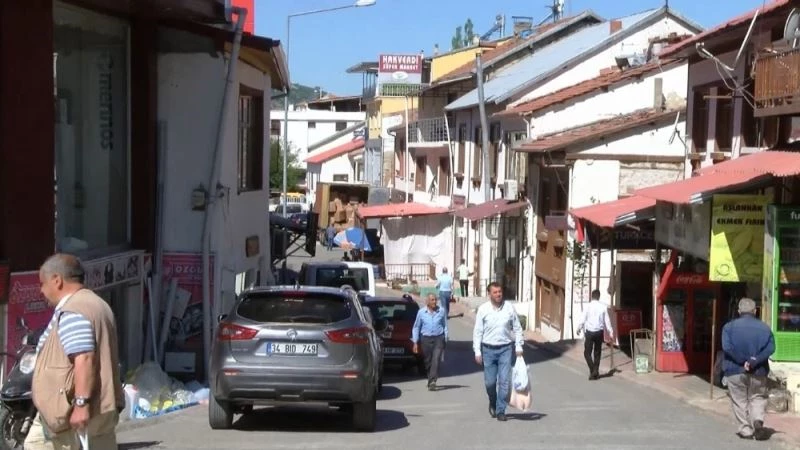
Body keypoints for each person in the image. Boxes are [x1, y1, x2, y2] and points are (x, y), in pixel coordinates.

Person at [25, 254, 124, 450]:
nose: (41, 291)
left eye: (42, 284)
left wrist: (81, 405)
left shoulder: (73, 310)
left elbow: (84, 358)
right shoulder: (97, 303)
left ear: (57, 280)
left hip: (70, 412)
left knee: (35, 445)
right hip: (99, 406)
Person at [722, 297, 775, 441]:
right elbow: (771, 348)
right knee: (757, 397)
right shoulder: (765, 328)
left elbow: (727, 348)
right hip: (759, 371)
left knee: (739, 400)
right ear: (755, 310)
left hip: (735, 370)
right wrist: (754, 361)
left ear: (739, 311)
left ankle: (746, 430)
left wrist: (743, 361)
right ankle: (757, 421)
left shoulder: (728, 327)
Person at [472, 282, 524, 422]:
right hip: (488, 350)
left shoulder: (509, 308)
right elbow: (478, 331)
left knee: (504, 382)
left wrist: (518, 346)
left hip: (505, 349)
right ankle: (492, 401)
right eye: (495, 292)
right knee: (490, 383)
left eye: (499, 292)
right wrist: (477, 351)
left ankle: (501, 410)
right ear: (489, 294)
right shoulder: (483, 309)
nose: (498, 294)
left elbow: (517, 328)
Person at [411, 294, 448, 391]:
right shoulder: (421, 312)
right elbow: (416, 327)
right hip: (425, 339)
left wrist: (445, 338)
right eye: (432, 300)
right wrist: (415, 342)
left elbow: (445, 325)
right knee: (427, 361)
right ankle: (430, 376)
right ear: (427, 301)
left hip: (438, 338)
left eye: (435, 300)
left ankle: (432, 381)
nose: (434, 302)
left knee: (436, 359)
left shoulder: (441, 311)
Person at [576, 289, 614, 380]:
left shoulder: (587, 306)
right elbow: (607, 321)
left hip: (589, 332)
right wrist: (611, 332)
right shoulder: (603, 307)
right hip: (599, 332)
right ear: (599, 297)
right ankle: (595, 371)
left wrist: (579, 328)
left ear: (591, 296)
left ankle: (593, 370)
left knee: (587, 353)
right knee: (597, 352)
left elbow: (583, 318)